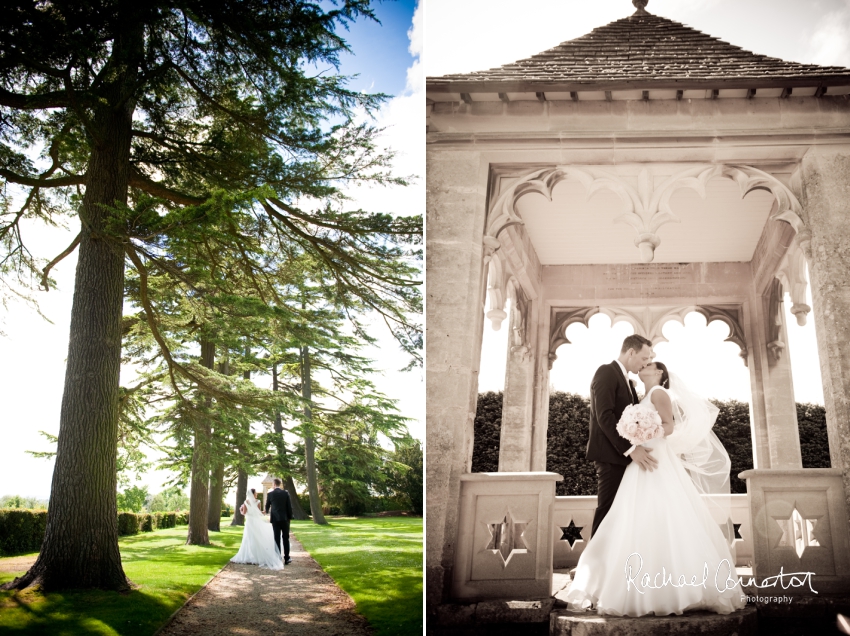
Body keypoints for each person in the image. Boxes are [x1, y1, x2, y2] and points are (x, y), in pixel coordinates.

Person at [565, 361, 746, 616]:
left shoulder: (660, 393)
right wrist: (635, 432)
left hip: (656, 456)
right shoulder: (641, 395)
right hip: (642, 456)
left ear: (660, 373)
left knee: (665, 511)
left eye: (649, 363)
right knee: (630, 514)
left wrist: (647, 430)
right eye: (644, 360)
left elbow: (669, 426)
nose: (644, 365)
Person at [587, 334, 658, 538]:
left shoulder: (628, 381)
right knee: (607, 511)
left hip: (622, 458)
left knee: (620, 514)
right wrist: (631, 449)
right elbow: (604, 417)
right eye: (644, 358)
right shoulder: (606, 372)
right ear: (631, 352)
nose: (646, 364)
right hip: (610, 457)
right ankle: (592, 566)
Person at [231, 488, 284, 570]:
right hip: (256, 522)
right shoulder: (258, 501)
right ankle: (257, 557)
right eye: (255, 493)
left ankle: (248, 557)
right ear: (253, 494)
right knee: (257, 538)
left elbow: (244, 513)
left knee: (248, 538)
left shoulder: (246, 502)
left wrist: (241, 510)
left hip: (249, 522)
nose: (256, 494)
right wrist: (264, 512)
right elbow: (259, 513)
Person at [265, 478, 294, 565]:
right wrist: (290, 517)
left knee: (276, 538)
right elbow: (289, 506)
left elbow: (267, 507)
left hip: (275, 520)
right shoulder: (285, 493)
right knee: (286, 538)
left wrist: (265, 512)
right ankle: (287, 558)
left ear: (274, 484)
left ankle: (277, 558)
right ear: (280, 484)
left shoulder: (270, 494)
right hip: (285, 519)